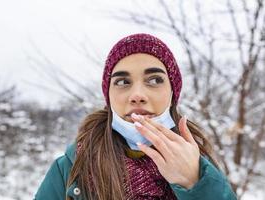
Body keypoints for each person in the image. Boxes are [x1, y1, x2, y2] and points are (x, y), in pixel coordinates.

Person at [34, 33, 237, 200]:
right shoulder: (69, 170)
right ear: (109, 97)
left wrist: (196, 184)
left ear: (172, 94)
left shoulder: (201, 170)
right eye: (122, 82)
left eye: (155, 80)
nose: (137, 95)